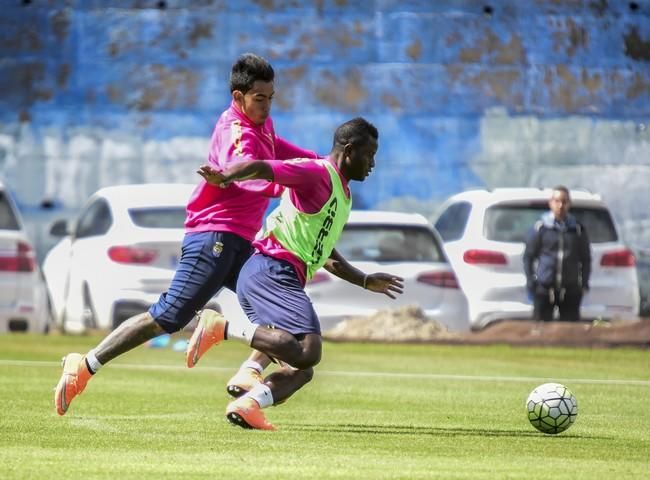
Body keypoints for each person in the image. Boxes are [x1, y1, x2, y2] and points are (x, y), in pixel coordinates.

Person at [54, 53, 321, 416]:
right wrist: (278, 183)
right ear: (238, 96)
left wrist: (324, 167)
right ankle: (84, 365)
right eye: (260, 98)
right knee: (169, 317)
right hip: (215, 236)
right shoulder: (236, 130)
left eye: (271, 97)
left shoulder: (264, 127)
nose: (267, 106)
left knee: (276, 315)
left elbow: (290, 157)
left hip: (241, 241)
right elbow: (244, 168)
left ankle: (250, 372)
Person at [186, 117, 404, 431]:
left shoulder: (342, 194)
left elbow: (326, 255)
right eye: (369, 155)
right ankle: (221, 328)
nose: (373, 163)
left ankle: (249, 404)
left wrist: (365, 280)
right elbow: (264, 167)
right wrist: (226, 175)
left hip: (279, 274)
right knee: (308, 350)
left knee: (302, 367)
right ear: (350, 150)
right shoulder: (317, 172)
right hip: (270, 268)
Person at [523, 185, 591, 322]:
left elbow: (586, 259)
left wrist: (583, 283)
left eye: (564, 201)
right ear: (551, 203)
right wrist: (531, 281)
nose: (560, 205)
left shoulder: (577, 229)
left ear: (569, 204)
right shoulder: (541, 227)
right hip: (544, 288)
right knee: (540, 330)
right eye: (557, 201)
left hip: (570, 289)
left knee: (570, 332)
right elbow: (528, 257)